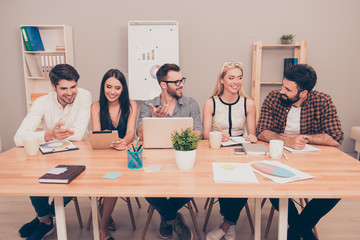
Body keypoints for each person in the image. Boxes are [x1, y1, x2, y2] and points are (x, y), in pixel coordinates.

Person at [256, 64, 344, 240]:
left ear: (303, 93)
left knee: (338, 190)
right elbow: (261, 130)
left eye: (287, 89)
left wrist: (304, 138)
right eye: (282, 85)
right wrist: (286, 140)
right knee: (270, 186)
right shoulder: (273, 97)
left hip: (312, 161)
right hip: (278, 157)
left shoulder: (323, 101)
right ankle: (303, 230)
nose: (281, 91)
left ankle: (295, 230)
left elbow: (335, 138)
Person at [14, 64, 92, 240]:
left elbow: (79, 135)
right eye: (64, 88)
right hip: (50, 156)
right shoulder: (42, 102)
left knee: (75, 179)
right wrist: (48, 134)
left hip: (77, 154)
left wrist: (49, 136)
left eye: (73, 87)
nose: (70, 93)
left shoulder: (84, 96)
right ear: (53, 87)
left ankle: (45, 216)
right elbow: (19, 138)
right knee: (34, 177)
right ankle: (45, 220)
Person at [136, 63, 203, 240]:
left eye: (182, 80)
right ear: (163, 84)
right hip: (155, 159)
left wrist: (180, 140)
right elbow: (140, 134)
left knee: (195, 185)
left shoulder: (190, 103)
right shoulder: (148, 106)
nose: (181, 84)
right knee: (145, 187)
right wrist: (154, 119)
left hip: (183, 158)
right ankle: (174, 218)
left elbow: (198, 132)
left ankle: (166, 216)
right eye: (176, 82)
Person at [202, 62, 257, 240]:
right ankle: (230, 223)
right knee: (223, 181)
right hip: (217, 153)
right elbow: (205, 135)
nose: (236, 82)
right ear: (222, 80)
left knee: (246, 181)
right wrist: (215, 135)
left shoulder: (249, 103)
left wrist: (252, 137)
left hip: (241, 153)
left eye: (240, 78)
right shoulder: (211, 103)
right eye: (231, 78)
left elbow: (253, 134)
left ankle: (226, 225)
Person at [91, 69, 137, 240]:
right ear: (103, 87)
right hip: (103, 153)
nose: (112, 91)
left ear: (123, 89)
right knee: (90, 181)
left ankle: (103, 228)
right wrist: (110, 142)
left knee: (113, 183)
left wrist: (123, 142)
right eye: (108, 86)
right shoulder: (96, 106)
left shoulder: (131, 104)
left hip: (123, 154)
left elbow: (131, 132)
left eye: (117, 88)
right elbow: (97, 133)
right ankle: (105, 212)